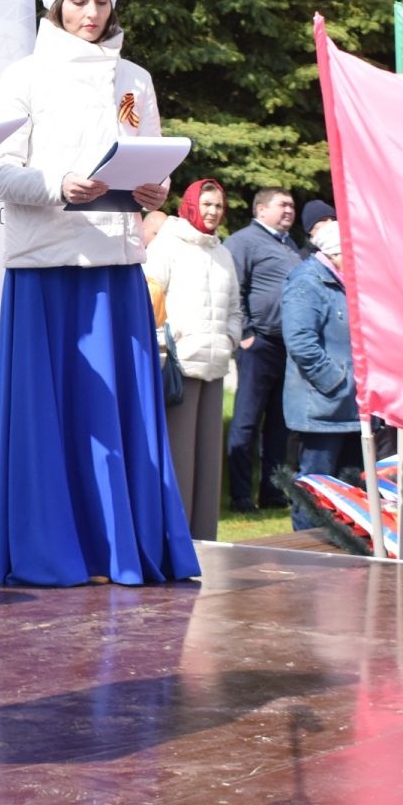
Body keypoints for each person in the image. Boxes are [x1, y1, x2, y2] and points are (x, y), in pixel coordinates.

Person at [0, 0, 199, 588]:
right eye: (79, 2)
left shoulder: (133, 79)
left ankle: (120, 546)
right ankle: (52, 549)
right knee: (51, 414)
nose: (91, 14)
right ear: (55, 5)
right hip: (47, 263)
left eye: (101, 3)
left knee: (120, 416)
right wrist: (58, 186)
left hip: (116, 263)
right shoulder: (24, 75)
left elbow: (148, 159)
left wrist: (155, 191)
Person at [143, 179, 242, 541]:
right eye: (207, 204)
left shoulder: (223, 253)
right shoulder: (168, 246)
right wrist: (168, 343)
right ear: (190, 205)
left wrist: (229, 337)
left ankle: (204, 537)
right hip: (179, 366)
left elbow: (234, 307)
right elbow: (149, 298)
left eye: (218, 205)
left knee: (207, 461)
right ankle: (174, 539)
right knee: (180, 458)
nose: (213, 212)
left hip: (214, 366)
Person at [222, 187, 303, 510]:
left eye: (292, 205)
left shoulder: (289, 244)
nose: (289, 210)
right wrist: (246, 333)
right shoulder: (243, 241)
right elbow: (233, 287)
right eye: (282, 205)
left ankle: (272, 493)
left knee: (278, 427)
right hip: (259, 344)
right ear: (261, 209)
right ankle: (241, 496)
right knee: (246, 421)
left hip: (288, 346)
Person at [279, 221, 360, 530]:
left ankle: (345, 544)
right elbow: (301, 342)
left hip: (351, 407)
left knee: (349, 488)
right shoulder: (306, 282)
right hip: (322, 407)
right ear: (333, 253)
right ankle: (308, 551)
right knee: (316, 485)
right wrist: (337, 382)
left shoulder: (344, 281)